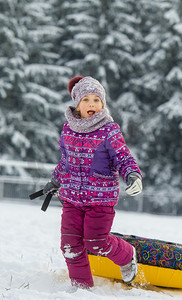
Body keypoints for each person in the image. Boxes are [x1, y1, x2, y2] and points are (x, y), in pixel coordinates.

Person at [42, 76, 143, 289]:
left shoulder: (109, 129)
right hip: (71, 198)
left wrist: (133, 175)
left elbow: (123, 157)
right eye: (86, 99)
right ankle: (82, 289)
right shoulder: (68, 129)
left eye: (97, 100)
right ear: (77, 103)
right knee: (70, 245)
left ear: (103, 104)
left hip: (100, 199)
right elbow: (66, 160)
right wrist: (55, 180)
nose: (92, 105)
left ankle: (127, 256)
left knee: (96, 242)